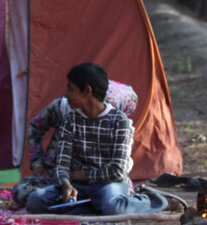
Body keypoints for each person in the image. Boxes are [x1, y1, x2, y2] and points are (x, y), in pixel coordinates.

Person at [25, 63, 167, 215]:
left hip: (107, 184)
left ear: (87, 91)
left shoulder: (119, 122)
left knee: (113, 207)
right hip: (76, 185)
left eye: (70, 89)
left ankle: (154, 201)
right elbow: (62, 163)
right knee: (35, 201)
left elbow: (118, 172)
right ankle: (93, 207)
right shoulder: (71, 120)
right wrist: (66, 183)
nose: (66, 95)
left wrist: (83, 175)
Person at [12, 80, 138, 205]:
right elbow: (36, 127)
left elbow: (118, 170)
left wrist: (83, 175)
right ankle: (86, 203)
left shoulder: (116, 121)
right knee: (26, 194)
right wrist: (37, 163)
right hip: (60, 176)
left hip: (100, 179)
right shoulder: (62, 108)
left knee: (112, 198)